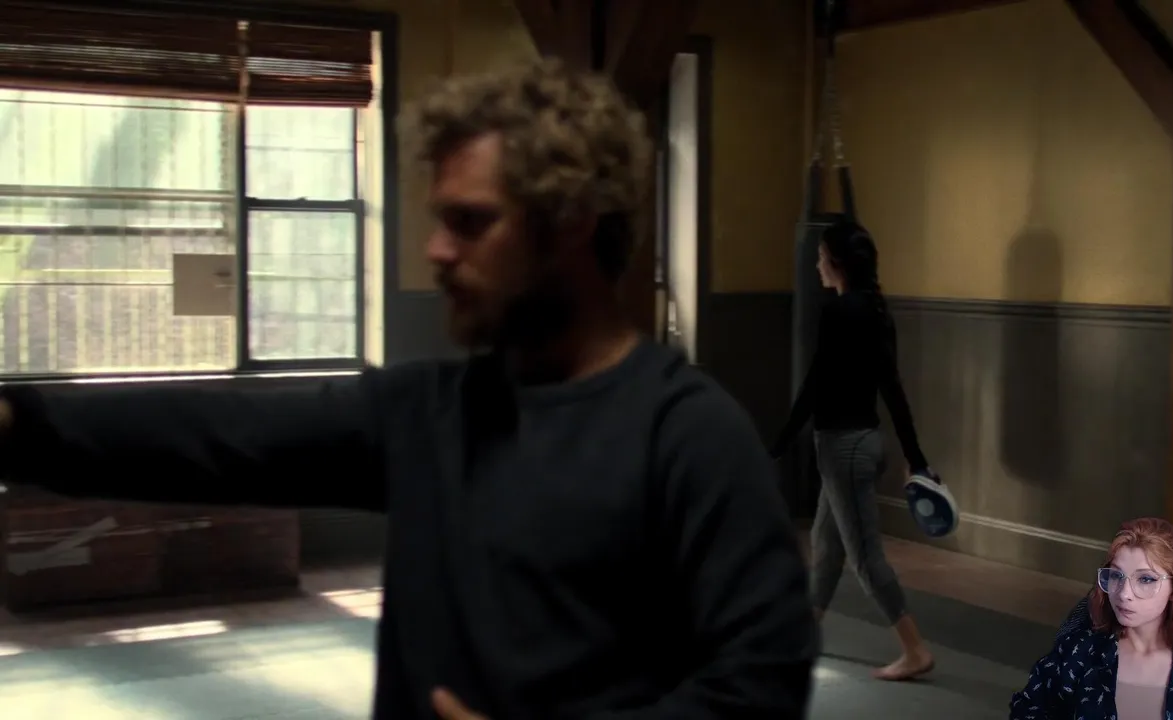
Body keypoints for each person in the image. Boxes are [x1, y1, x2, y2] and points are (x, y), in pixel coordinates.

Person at [0, 60, 818, 719]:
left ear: (571, 222)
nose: (435, 251)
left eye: (470, 222)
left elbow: (762, 683)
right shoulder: (427, 414)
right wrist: (17, 423)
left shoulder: (687, 435)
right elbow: (221, 431)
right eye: (439, 220)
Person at [769, 218, 935, 681]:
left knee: (865, 557)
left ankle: (915, 649)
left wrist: (777, 445)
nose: (817, 265)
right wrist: (917, 459)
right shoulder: (877, 311)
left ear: (838, 264)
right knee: (826, 547)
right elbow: (894, 393)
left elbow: (814, 385)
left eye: (822, 257)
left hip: (843, 451)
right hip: (863, 445)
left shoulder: (839, 312)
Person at [1010, 517, 1173, 719]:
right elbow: (1027, 710)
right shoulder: (1077, 655)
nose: (1124, 594)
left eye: (1146, 579)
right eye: (1116, 576)